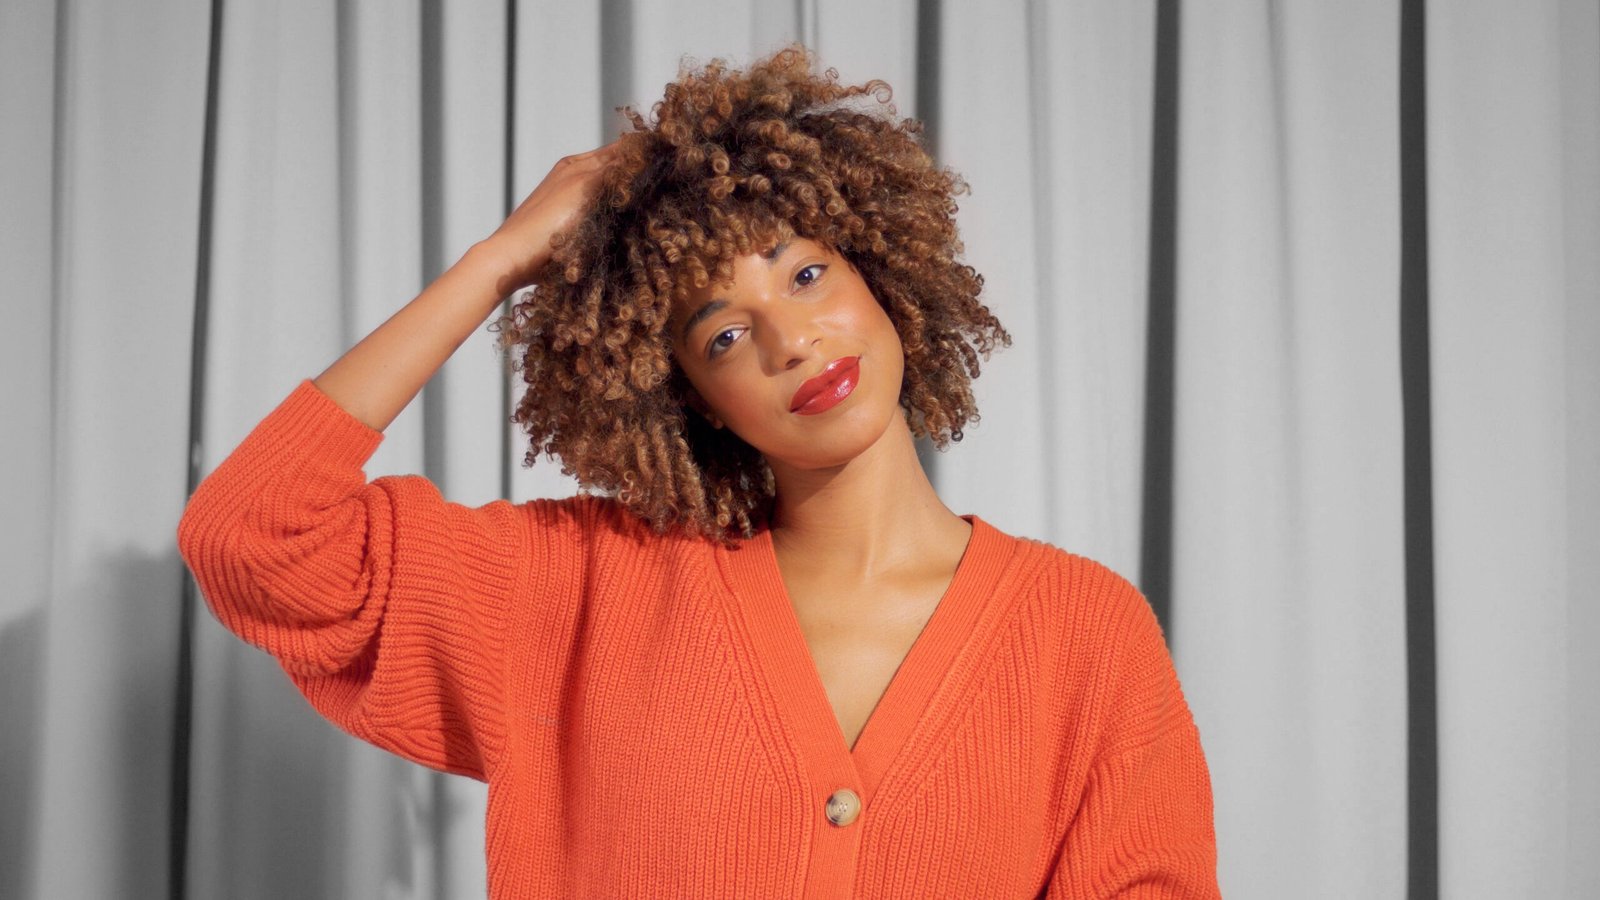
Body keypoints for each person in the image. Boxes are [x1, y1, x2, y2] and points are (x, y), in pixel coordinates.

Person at [178, 44, 1219, 898]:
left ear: (885, 273)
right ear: (686, 399)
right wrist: (495, 263)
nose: (792, 342)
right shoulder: (579, 593)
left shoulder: (1083, 633)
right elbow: (256, 534)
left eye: (806, 273)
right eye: (722, 336)